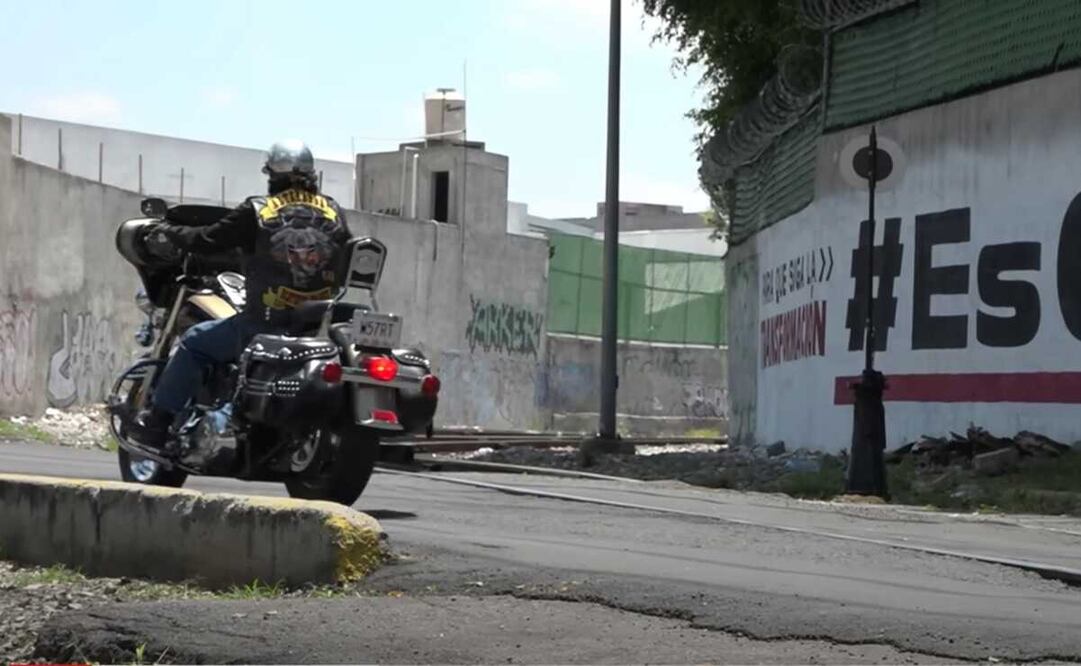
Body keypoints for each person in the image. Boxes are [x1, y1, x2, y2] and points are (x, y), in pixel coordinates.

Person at [128, 140, 353, 450]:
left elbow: (207, 239)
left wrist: (169, 233)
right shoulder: (334, 211)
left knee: (194, 342)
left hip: (264, 324)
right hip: (315, 328)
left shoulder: (258, 209)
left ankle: (157, 424)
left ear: (273, 174)